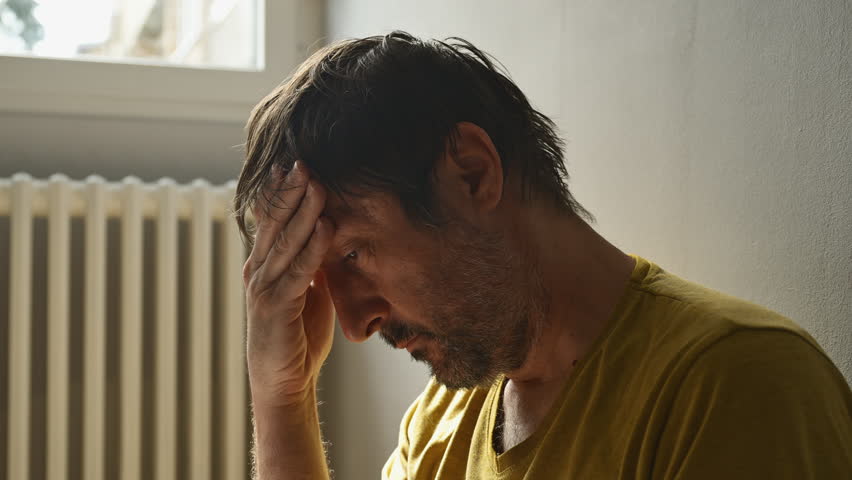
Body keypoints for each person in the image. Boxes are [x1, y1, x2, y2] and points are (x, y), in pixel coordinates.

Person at [233, 31, 852, 479]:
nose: (354, 324)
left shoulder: (739, 386)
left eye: (354, 256)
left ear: (471, 174)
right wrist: (282, 394)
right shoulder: (445, 416)